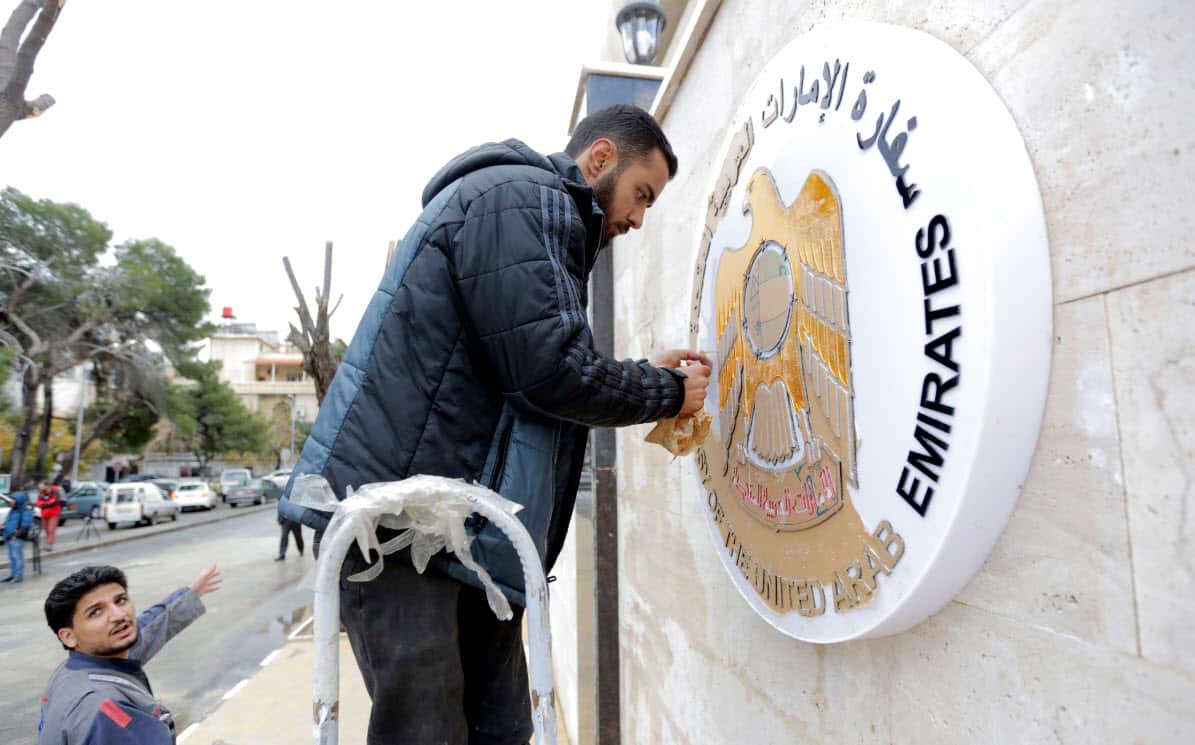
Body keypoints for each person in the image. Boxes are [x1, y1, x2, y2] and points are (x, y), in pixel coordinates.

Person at [278, 104, 712, 745]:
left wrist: (645, 373)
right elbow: (548, 371)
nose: (639, 218)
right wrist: (665, 390)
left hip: (462, 537)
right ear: (599, 159)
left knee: (502, 730)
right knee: (426, 733)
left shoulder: (541, 218)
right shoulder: (517, 198)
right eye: (641, 193)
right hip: (404, 534)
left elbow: (531, 361)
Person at [38, 564, 222, 744]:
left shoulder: (76, 667)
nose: (118, 615)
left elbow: (149, 627)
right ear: (68, 637)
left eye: (120, 600)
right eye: (96, 612)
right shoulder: (107, 711)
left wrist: (190, 594)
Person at [4, 485, 36, 584]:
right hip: (9, 536)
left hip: (16, 538)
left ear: (19, 500)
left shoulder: (25, 511)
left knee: (17, 556)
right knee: (12, 557)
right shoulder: (13, 510)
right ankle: (13, 574)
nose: (11, 501)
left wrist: (16, 535)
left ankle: (18, 575)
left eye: (13, 500)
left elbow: (25, 526)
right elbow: (10, 522)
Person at [37, 481, 65, 551]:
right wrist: (46, 503)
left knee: (51, 529)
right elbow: (38, 503)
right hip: (44, 514)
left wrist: (44, 504)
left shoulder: (54, 492)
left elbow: (54, 502)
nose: (39, 487)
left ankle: (49, 545)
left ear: (46, 486)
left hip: (54, 514)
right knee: (46, 530)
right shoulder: (42, 493)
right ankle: (47, 543)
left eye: (41, 485)